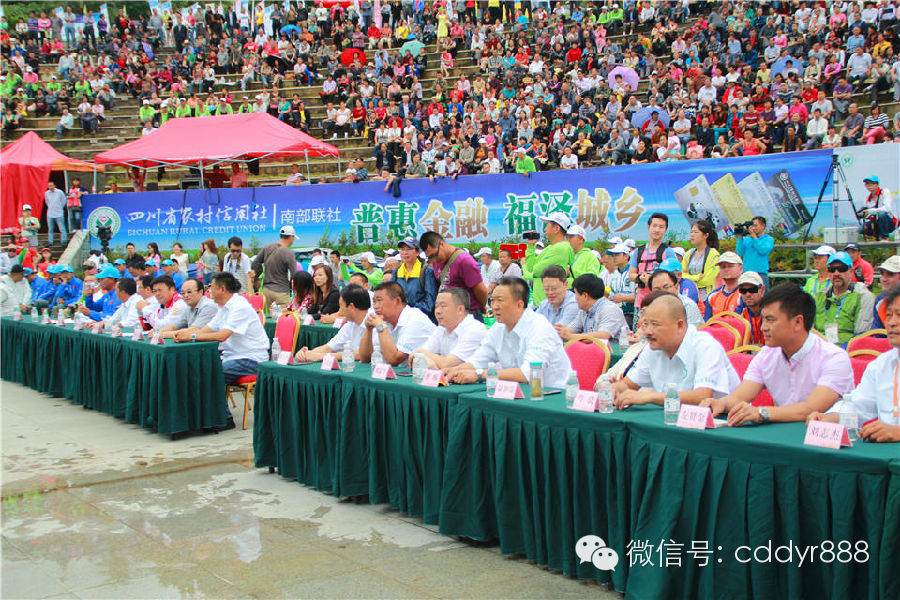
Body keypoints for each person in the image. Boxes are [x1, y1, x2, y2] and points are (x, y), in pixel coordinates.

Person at [704, 285, 853, 426]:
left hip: (823, 438)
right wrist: (720, 403)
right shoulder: (766, 355)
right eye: (763, 319)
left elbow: (811, 408)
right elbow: (739, 397)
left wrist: (762, 412)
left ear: (797, 322)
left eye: (770, 320)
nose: (763, 328)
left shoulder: (834, 358)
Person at [174, 272, 270, 429]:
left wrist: (191, 337)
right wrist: (181, 334)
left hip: (250, 359)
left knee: (211, 372)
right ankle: (200, 417)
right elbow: (205, 330)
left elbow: (221, 336)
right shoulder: (223, 308)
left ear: (222, 289)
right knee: (199, 368)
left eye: (211, 287)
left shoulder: (239, 306)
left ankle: (224, 419)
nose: (209, 291)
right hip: (231, 357)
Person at [611, 292, 739, 409]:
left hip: (721, 420)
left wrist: (650, 397)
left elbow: (703, 396)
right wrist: (612, 389)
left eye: (655, 324)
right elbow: (628, 385)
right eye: (646, 324)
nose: (648, 332)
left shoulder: (705, 346)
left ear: (680, 325)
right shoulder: (652, 347)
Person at [444, 277, 572, 388]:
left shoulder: (539, 327)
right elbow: (478, 360)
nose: (494, 306)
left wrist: (480, 374)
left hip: (553, 394)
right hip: (516, 394)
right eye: (492, 300)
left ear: (519, 305)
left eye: (500, 300)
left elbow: (529, 373)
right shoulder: (498, 328)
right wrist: (455, 370)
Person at [810, 287, 900, 442]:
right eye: (889, 315)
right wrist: (830, 417)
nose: (891, 322)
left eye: (899, 315)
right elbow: (858, 406)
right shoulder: (881, 365)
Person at [358, 281, 436, 366]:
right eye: (374, 302)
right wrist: (369, 329)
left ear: (397, 301)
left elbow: (394, 359)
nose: (375, 306)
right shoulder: (385, 320)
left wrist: (381, 326)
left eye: (379, 301)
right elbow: (365, 358)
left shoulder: (415, 319)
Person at [409, 287, 488, 369]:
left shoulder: (475, 330)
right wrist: (424, 356)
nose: (438, 311)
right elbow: (418, 360)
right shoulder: (442, 328)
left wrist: (422, 354)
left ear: (460, 309)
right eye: (436, 306)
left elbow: (447, 364)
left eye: (443, 306)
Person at [294, 284, 372, 363]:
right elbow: (329, 347)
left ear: (351, 306)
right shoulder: (350, 324)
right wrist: (307, 354)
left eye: (341, 306)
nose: (339, 312)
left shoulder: (373, 321)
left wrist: (320, 356)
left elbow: (360, 354)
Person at [420, 231, 488, 316]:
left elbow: (481, 290)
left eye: (434, 255)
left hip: (468, 313)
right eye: (430, 257)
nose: (434, 260)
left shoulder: (464, 260)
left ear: (441, 244)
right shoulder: (436, 261)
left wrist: (481, 307)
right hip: (449, 313)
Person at [522, 212, 574, 306]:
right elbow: (531, 267)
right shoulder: (550, 248)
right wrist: (530, 245)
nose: (545, 229)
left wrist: (523, 266)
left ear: (557, 228)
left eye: (547, 225)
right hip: (541, 303)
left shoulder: (561, 248)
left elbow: (536, 271)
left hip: (549, 304)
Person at [814, 251, 866, 345]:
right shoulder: (819, 296)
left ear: (851, 272)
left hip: (847, 349)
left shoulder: (862, 296)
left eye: (842, 269)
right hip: (819, 347)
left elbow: (861, 336)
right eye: (832, 269)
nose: (836, 273)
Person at [556, 273, 627, 341]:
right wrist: (562, 332)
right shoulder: (584, 310)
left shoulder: (610, 309)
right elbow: (572, 328)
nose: (575, 298)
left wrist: (571, 337)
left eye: (576, 294)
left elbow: (603, 336)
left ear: (585, 296)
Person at [629, 213, 679, 308]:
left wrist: (652, 280)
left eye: (661, 227)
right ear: (648, 227)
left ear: (665, 230)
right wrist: (640, 278)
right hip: (641, 301)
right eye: (654, 226)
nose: (657, 230)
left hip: (662, 301)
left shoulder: (668, 252)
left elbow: (675, 277)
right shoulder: (638, 251)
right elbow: (631, 275)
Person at [249, 226, 298, 309]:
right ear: (291, 237)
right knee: (283, 315)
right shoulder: (289, 253)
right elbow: (294, 275)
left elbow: (255, 263)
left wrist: (257, 279)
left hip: (266, 290)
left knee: (267, 315)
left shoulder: (268, 247)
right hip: (282, 292)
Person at [393, 237, 437, 318]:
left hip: (421, 319)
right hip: (401, 319)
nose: (405, 252)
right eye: (402, 249)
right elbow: (391, 295)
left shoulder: (426, 271)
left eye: (408, 249)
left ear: (418, 252)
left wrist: (409, 311)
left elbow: (430, 303)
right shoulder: (397, 271)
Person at [681, 219, 720, 300]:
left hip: (706, 298)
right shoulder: (688, 254)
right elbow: (681, 275)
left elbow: (707, 280)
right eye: (691, 232)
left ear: (706, 235)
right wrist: (697, 277)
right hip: (689, 296)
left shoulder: (713, 254)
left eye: (696, 232)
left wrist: (688, 279)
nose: (692, 235)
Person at [734, 217, 774, 287]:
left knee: (762, 293)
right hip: (747, 274)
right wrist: (740, 237)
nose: (753, 228)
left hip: (760, 274)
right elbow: (739, 252)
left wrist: (754, 237)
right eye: (752, 226)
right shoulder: (747, 239)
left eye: (755, 225)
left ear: (763, 226)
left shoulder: (768, 239)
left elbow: (762, 250)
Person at [704, 252, 744, 319]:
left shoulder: (745, 294)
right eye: (723, 267)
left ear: (741, 269)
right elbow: (707, 322)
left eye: (730, 266)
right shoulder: (712, 296)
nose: (726, 269)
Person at [858, 175, 896, 240]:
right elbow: (868, 214)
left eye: (872, 183)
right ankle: (875, 238)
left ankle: (884, 237)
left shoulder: (885, 192)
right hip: (877, 223)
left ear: (877, 184)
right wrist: (861, 214)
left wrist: (871, 211)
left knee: (882, 214)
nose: (869, 186)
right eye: (867, 184)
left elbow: (887, 208)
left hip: (890, 222)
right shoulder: (867, 200)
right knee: (860, 229)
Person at [734, 272, 766, 345]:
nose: (748, 294)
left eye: (753, 290)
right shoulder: (739, 315)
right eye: (743, 291)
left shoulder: (774, 313)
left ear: (762, 290)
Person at [873, 255, 900, 329]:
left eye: (890, 275)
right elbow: (877, 332)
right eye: (882, 273)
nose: (884, 279)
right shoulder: (880, 300)